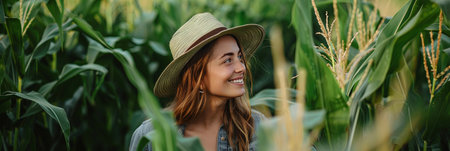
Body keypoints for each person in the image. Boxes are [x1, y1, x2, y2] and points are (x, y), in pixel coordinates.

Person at [129, 12, 266, 151]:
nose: (242, 67)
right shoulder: (151, 135)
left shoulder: (258, 127)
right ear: (197, 79)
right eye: (228, 60)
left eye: (240, 57)